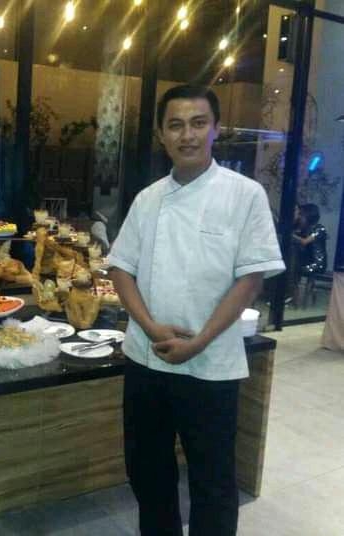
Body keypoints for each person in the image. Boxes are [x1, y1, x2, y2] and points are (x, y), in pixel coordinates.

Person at [107, 85, 284, 536]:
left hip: (210, 365)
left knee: (213, 481)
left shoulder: (244, 195)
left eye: (198, 123)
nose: (187, 135)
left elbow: (251, 279)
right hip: (147, 360)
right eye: (176, 125)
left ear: (216, 129)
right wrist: (150, 328)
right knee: (147, 472)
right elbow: (121, 269)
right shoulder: (148, 198)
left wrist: (200, 340)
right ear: (161, 134)